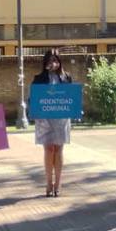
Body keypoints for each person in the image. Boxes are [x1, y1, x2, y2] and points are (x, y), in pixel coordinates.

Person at [31, 49, 72, 197]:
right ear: (45, 63)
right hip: (44, 118)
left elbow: (71, 98)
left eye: (55, 60)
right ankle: (49, 182)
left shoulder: (66, 77)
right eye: (49, 61)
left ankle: (58, 183)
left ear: (59, 62)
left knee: (59, 149)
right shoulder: (39, 78)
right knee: (49, 149)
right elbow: (34, 98)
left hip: (61, 118)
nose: (52, 63)